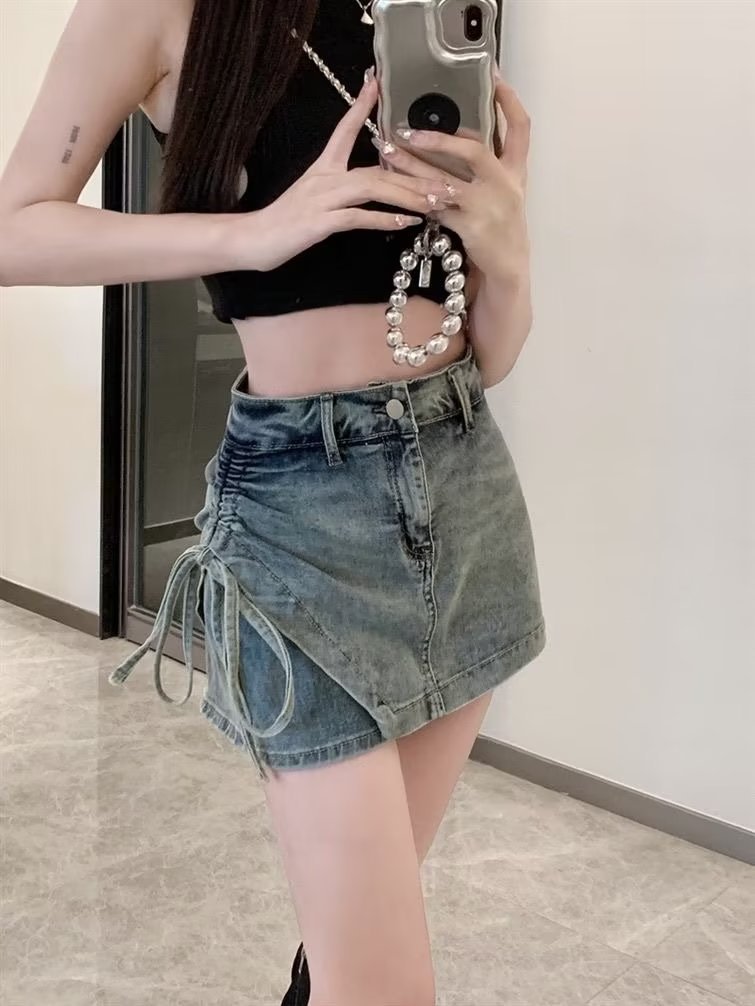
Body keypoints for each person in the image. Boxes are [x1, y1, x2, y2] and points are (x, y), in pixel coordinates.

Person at [0, 1, 546, 1003]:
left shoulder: (410, 15)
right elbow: (14, 228)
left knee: (349, 950)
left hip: (464, 488)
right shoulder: (158, 10)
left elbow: (492, 355)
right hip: (301, 513)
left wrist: (507, 252)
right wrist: (255, 235)